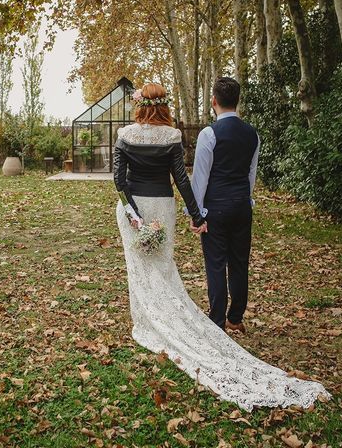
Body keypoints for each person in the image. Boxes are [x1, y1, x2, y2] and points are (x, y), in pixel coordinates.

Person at [114, 82, 329, 411]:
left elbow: (133, 178)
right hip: (202, 205)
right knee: (204, 263)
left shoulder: (148, 134)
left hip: (161, 207)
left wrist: (159, 213)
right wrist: (208, 210)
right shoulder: (219, 135)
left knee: (173, 265)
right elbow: (194, 177)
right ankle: (231, 317)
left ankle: (183, 318)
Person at [189, 76, 258, 333]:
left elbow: (201, 177)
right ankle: (235, 316)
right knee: (239, 262)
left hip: (216, 207)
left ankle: (217, 319)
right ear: (237, 101)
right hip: (241, 205)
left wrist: (196, 214)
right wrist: (244, 200)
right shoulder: (252, 134)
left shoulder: (209, 134)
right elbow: (251, 175)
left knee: (216, 263)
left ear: (213, 101)